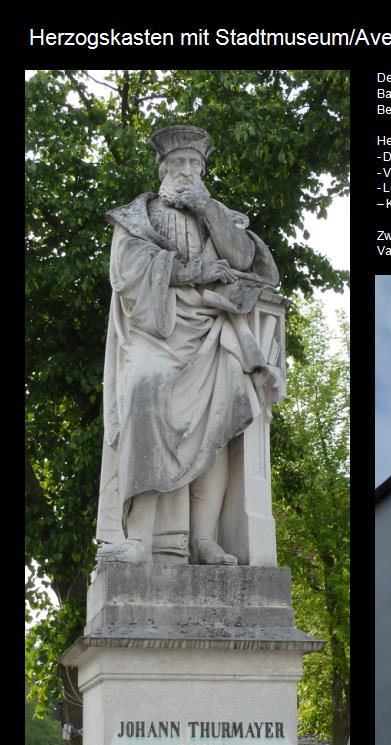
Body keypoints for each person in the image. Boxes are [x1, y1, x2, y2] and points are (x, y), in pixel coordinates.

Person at [95, 125, 284, 565]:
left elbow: (244, 261)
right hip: (156, 329)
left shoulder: (221, 215)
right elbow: (128, 272)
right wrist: (195, 272)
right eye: (178, 164)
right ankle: (138, 537)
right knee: (144, 391)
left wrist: (210, 212)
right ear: (163, 169)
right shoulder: (135, 218)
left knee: (226, 409)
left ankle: (204, 538)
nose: (187, 171)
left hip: (213, 330)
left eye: (194, 165)